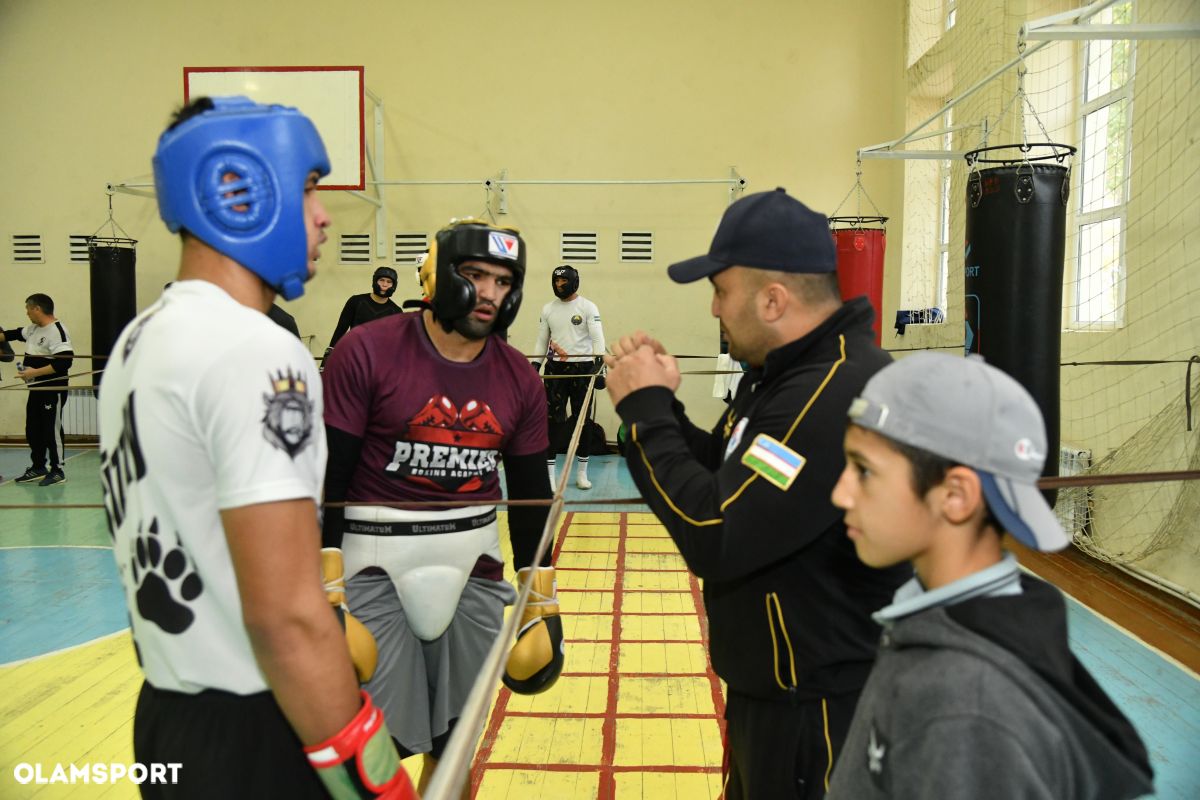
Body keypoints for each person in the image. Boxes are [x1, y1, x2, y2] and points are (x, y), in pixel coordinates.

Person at [98, 96, 415, 799]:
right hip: (260, 727)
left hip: (166, 717)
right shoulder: (255, 349)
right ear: (236, 189)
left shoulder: (137, 341)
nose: (325, 214)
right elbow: (287, 615)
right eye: (306, 189)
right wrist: (373, 776)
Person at [604, 187, 910, 800]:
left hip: (821, 712)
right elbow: (726, 475)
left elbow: (718, 531)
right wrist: (661, 406)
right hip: (778, 697)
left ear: (773, 299)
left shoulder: (830, 394)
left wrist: (642, 415)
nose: (715, 309)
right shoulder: (788, 378)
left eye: (721, 291)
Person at [827, 352, 1154, 798]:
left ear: (957, 496)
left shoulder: (969, 711)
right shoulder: (942, 625)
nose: (841, 492)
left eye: (863, 470)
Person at [321, 218, 563, 797]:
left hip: (471, 562)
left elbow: (530, 494)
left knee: (456, 743)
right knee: (369, 746)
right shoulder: (367, 350)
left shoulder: (519, 379)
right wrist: (323, 584)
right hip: (372, 557)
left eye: (504, 282)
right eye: (475, 275)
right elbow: (328, 474)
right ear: (441, 276)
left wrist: (542, 596)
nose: (489, 293)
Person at [531, 265, 606, 489]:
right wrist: (536, 363)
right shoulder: (548, 309)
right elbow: (542, 340)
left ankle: (582, 474)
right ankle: (550, 476)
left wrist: (599, 364)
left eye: (563, 283)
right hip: (555, 370)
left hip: (583, 370)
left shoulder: (588, 307)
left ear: (573, 282)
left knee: (582, 422)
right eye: (556, 282)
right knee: (553, 421)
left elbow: (598, 339)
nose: (559, 286)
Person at [1, 293, 74, 486]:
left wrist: (35, 371)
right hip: (36, 389)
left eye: (28, 309)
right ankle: (38, 467)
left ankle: (58, 470)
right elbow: (14, 334)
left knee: (51, 430)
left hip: (52, 389)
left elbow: (64, 362)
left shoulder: (57, 331)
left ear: (37, 309)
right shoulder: (34, 329)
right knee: (33, 429)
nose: (27, 313)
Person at [326, 266, 402, 352]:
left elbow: (396, 342)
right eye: (381, 280)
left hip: (379, 359)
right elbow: (341, 329)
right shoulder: (356, 301)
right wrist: (329, 354)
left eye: (389, 282)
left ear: (394, 285)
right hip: (354, 354)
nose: (384, 285)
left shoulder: (396, 312)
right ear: (375, 281)